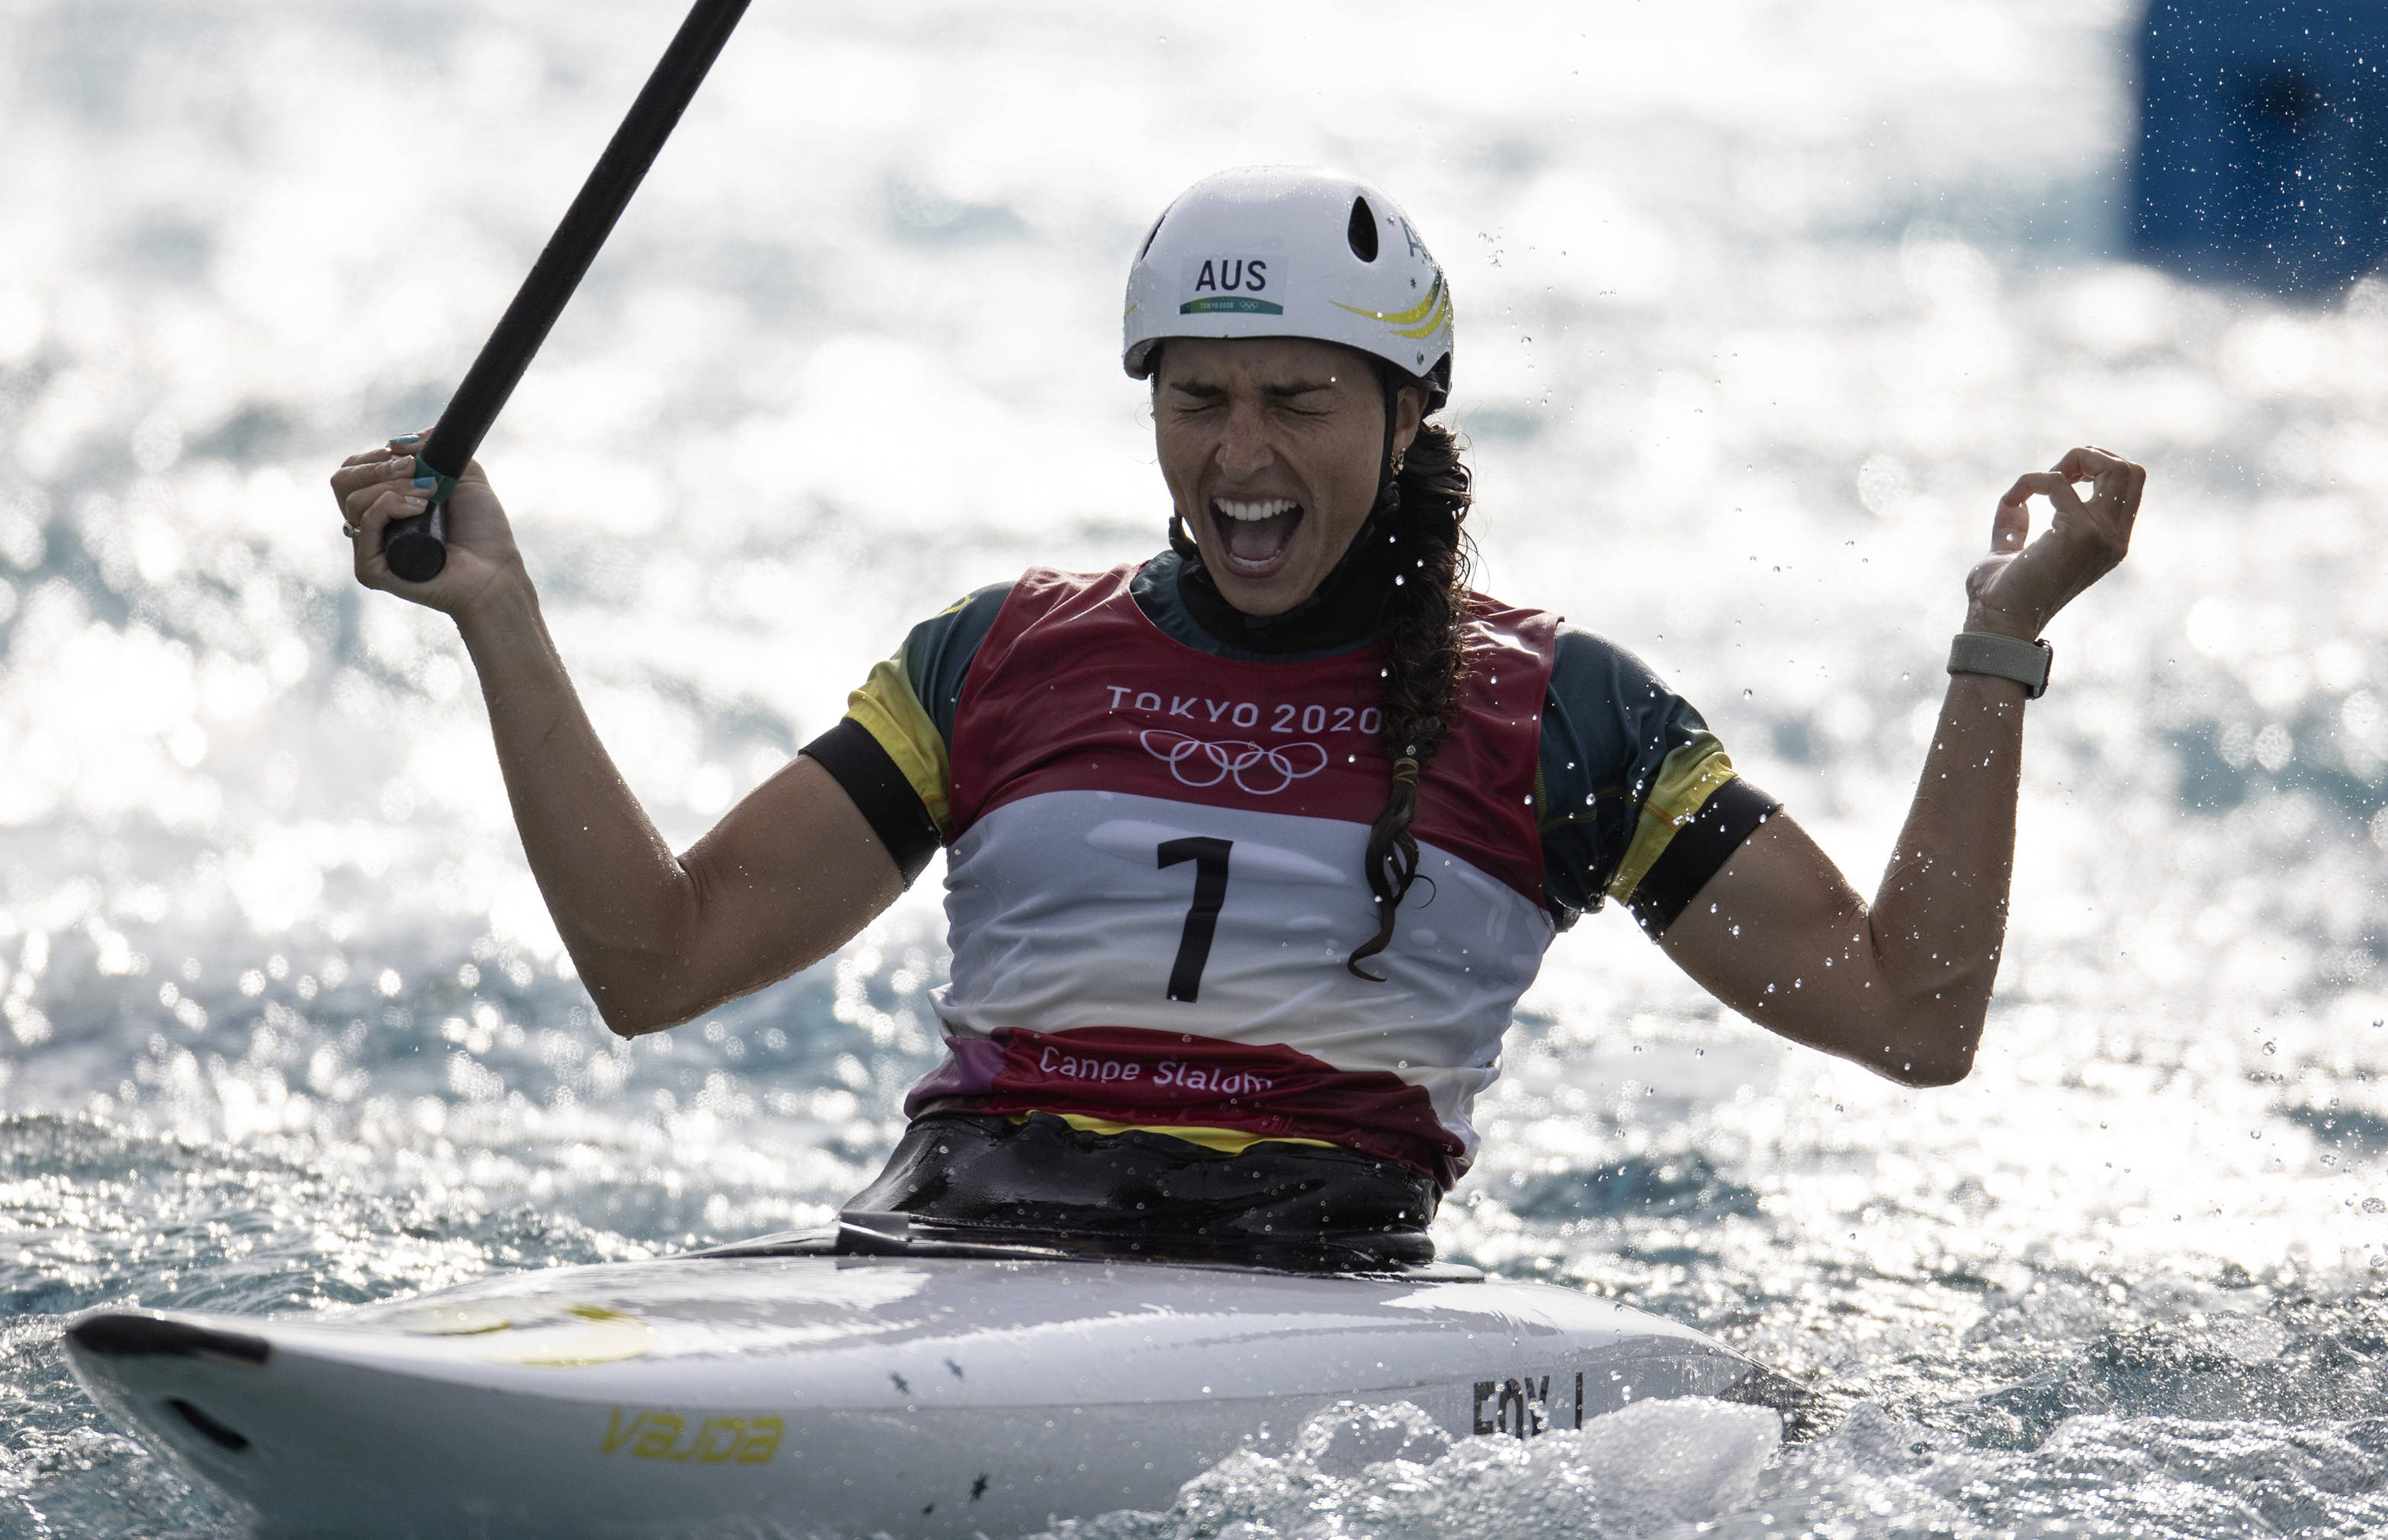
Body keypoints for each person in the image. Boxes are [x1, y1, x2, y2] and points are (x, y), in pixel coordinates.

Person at [331, 167, 2144, 1269]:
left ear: (1410, 414)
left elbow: (1908, 1015)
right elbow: (659, 959)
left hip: (1315, 1288)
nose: (1241, 457)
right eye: (1195, 399)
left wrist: (1994, 646)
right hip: (951, 1242)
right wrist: (500, 613)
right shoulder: (998, 657)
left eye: (1297, 398)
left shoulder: (1561, 711)